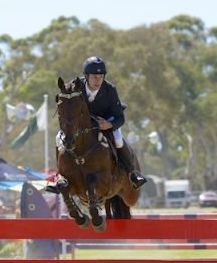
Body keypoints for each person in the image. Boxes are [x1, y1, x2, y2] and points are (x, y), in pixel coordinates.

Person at [47, 56, 147, 193]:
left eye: (101, 77)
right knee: (58, 138)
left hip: (106, 121)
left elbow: (120, 118)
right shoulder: (76, 87)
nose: (98, 80)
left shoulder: (110, 89)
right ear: (86, 76)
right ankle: (59, 177)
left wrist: (109, 125)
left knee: (118, 139)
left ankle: (132, 173)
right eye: (94, 77)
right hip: (83, 125)